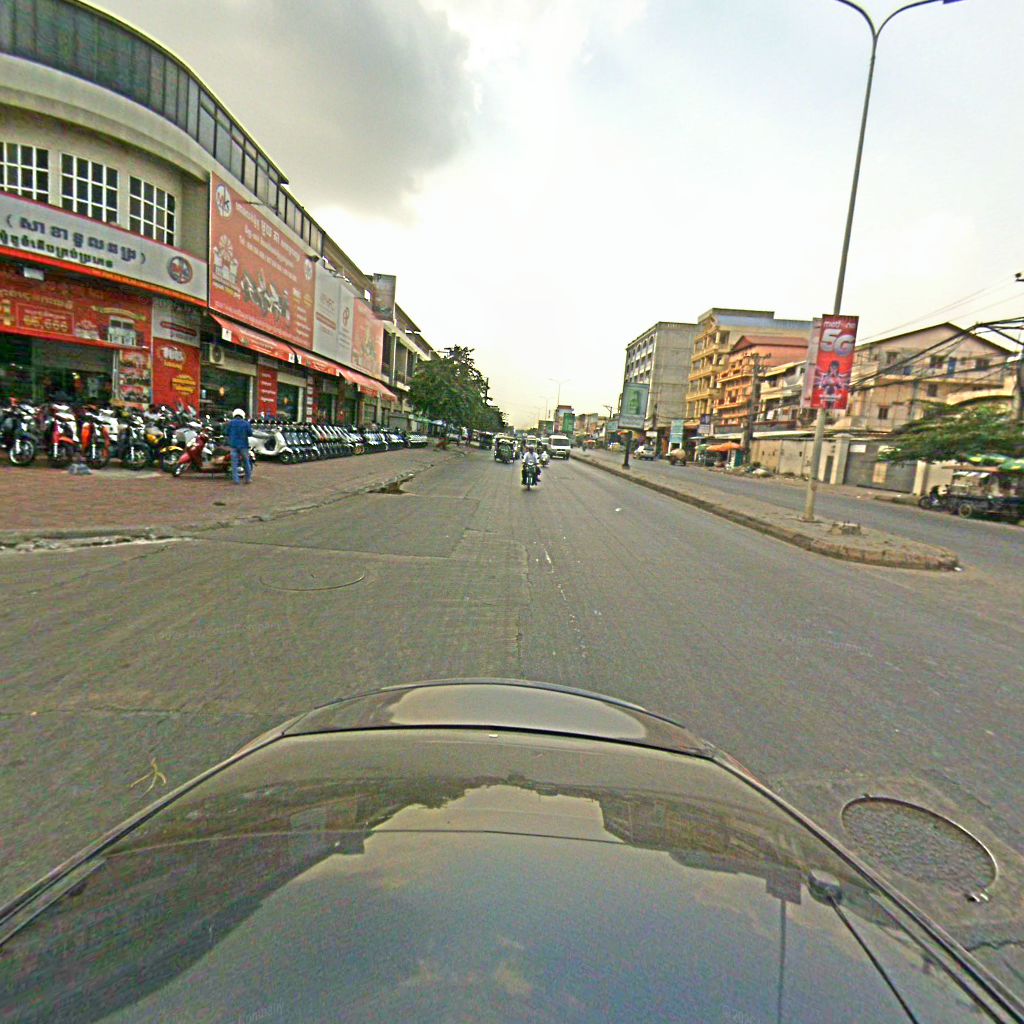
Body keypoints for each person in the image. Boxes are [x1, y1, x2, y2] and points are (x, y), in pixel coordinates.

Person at [225, 408, 253, 484]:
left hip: (233, 445)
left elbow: (226, 433)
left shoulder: (230, 423)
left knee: (234, 463)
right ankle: (248, 479)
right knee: (246, 462)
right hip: (244, 445)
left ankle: (236, 480)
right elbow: (250, 433)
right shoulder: (246, 423)